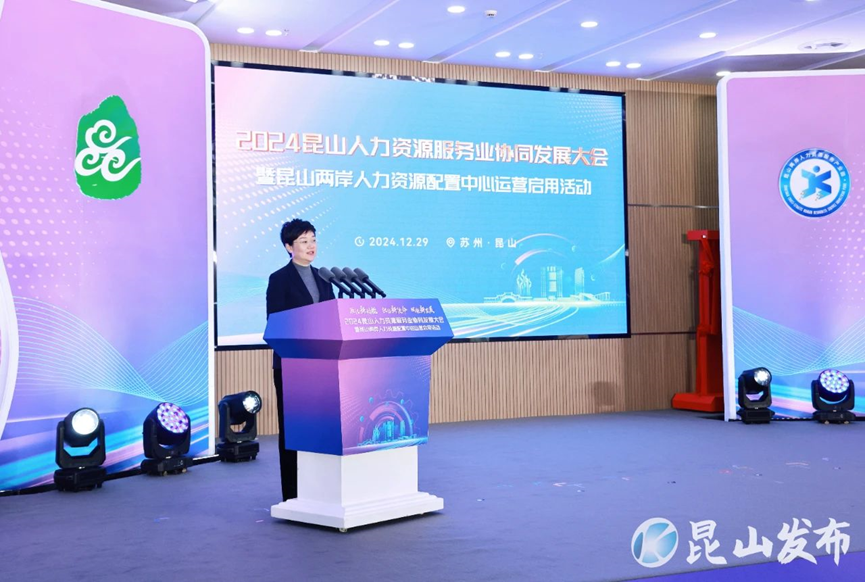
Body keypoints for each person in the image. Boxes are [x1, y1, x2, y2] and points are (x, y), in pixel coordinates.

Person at [265, 218, 335, 500]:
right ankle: (293, 495)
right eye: (304, 241)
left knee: (322, 428)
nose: (311, 246)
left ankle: (321, 490)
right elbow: (275, 323)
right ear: (289, 247)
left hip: (324, 366)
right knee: (293, 429)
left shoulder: (325, 278)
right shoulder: (279, 279)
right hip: (292, 365)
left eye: (313, 240)